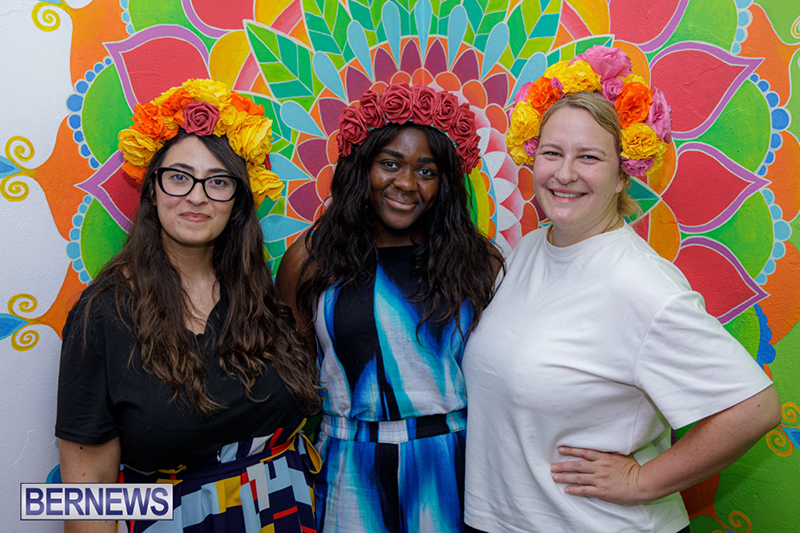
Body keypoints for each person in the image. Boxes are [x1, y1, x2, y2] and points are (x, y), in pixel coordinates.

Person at [462, 46, 781, 533]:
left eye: (588, 157)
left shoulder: (639, 283)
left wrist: (641, 482)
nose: (564, 174)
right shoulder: (528, 249)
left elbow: (754, 408)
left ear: (621, 172)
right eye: (552, 153)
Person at [56, 79, 321, 533]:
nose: (196, 196)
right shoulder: (102, 314)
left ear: (237, 200)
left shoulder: (258, 291)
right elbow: (87, 494)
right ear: (152, 189)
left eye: (218, 182)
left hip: (287, 512)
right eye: (179, 177)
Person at [276, 83, 504, 532]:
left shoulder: (480, 262)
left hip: (452, 465)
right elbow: (290, 373)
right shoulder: (311, 259)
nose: (405, 183)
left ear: (445, 183)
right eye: (390, 163)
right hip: (348, 465)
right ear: (363, 168)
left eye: (426, 170)